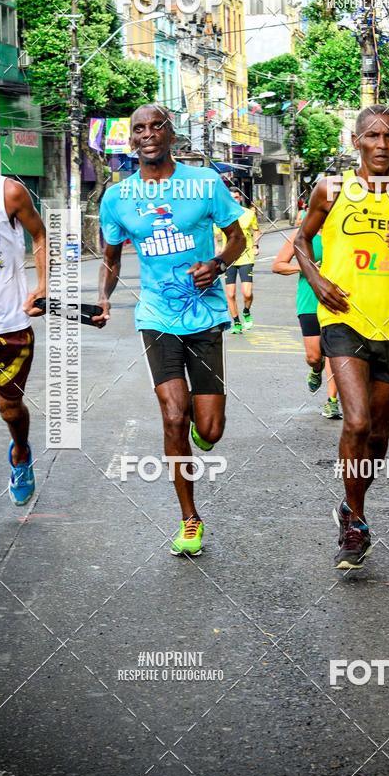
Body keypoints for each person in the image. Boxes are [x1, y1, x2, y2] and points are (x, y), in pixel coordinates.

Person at [294, 105, 389, 570]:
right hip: (343, 321)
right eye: (372, 136)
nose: (381, 144)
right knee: (356, 422)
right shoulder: (331, 188)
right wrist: (317, 283)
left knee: (377, 436)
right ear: (355, 141)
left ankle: (350, 504)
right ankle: (355, 522)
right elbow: (300, 241)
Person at [96, 105, 245, 557]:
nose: (147, 134)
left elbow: (237, 238)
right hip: (157, 317)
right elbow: (112, 255)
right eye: (138, 129)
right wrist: (103, 298)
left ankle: (204, 434)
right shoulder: (118, 198)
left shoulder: (203, 183)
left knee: (210, 429)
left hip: (205, 316)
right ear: (131, 140)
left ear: (170, 133)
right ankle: (190, 518)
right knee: (173, 416)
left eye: (155, 125)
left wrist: (218, 263)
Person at [0, 119, 47, 549]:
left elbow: (39, 235)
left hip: (7, 326)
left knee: (10, 408)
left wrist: (42, 284)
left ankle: (20, 451)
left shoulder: (9, 193)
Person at [273, 228, 341, 419]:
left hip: (337, 301)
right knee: (314, 356)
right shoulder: (302, 234)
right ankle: (315, 369)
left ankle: (332, 402)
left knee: (333, 352)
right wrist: (303, 267)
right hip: (309, 301)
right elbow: (278, 265)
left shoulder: (344, 231)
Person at [217, 187, 260, 334]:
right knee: (231, 294)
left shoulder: (248, 213)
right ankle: (236, 322)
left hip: (246, 257)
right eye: (231, 197)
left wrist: (255, 245)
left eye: (236, 197)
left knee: (247, 293)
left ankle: (246, 311)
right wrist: (218, 247)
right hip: (228, 259)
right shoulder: (222, 214)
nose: (233, 199)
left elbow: (256, 230)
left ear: (240, 198)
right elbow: (215, 233)